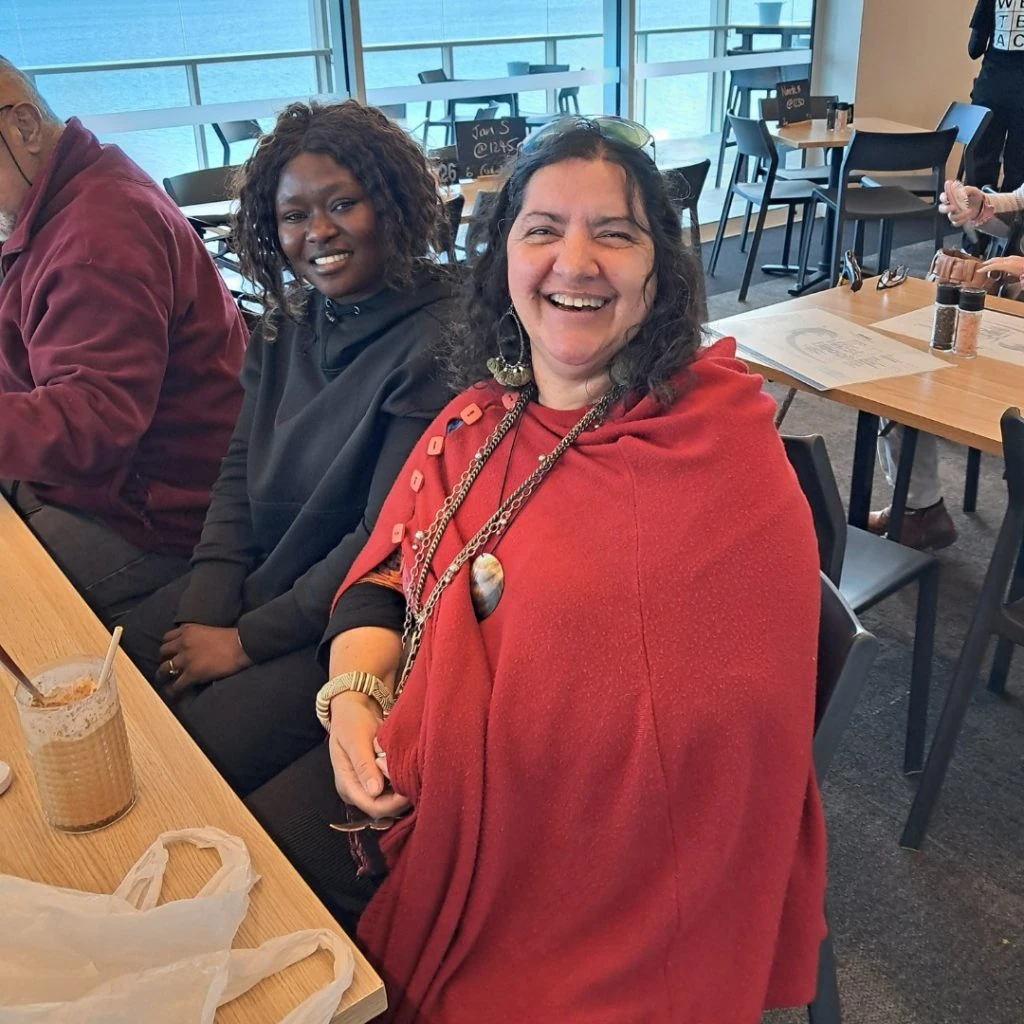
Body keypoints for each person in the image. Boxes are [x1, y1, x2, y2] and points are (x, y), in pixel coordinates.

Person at [247, 117, 826, 1022]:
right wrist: (355, 696)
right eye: (543, 229)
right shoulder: (479, 420)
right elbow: (389, 568)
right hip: (414, 770)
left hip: (568, 862)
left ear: (660, 270)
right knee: (241, 852)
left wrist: (454, 762)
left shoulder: (716, 451)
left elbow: (714, 732)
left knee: (270, 914)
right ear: (505, 258)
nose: (576, 261)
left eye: (616, 233)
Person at [117, 100, 457, 797]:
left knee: (194, 757)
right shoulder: (289, 322)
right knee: (116, 672)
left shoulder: (442, 339)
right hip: (268, 581)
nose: (318, 232)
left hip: (352, 617)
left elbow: (381, 537)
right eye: (294, 216)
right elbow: (238, 472)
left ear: (391, 203)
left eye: (343, 204)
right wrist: (209, 599)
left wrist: (242, 642)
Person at [0, 58, 246, 621]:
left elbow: (92, 425)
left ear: (25, 127)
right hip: (115, 489)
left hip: (158, 519)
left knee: (17, 612)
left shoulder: (98, 235)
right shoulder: (76, 194)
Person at [867, 178, 1024, 550]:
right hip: (1009, 311)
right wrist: (981, 208)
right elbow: (1016, 206)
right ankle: (920, 509)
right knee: (902, 367)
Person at [968, 0, 1024, 198]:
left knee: (981, 159)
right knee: (1019, 167)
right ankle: (1012, 224)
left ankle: (977, 222)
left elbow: (974, 49)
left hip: (991, 87)